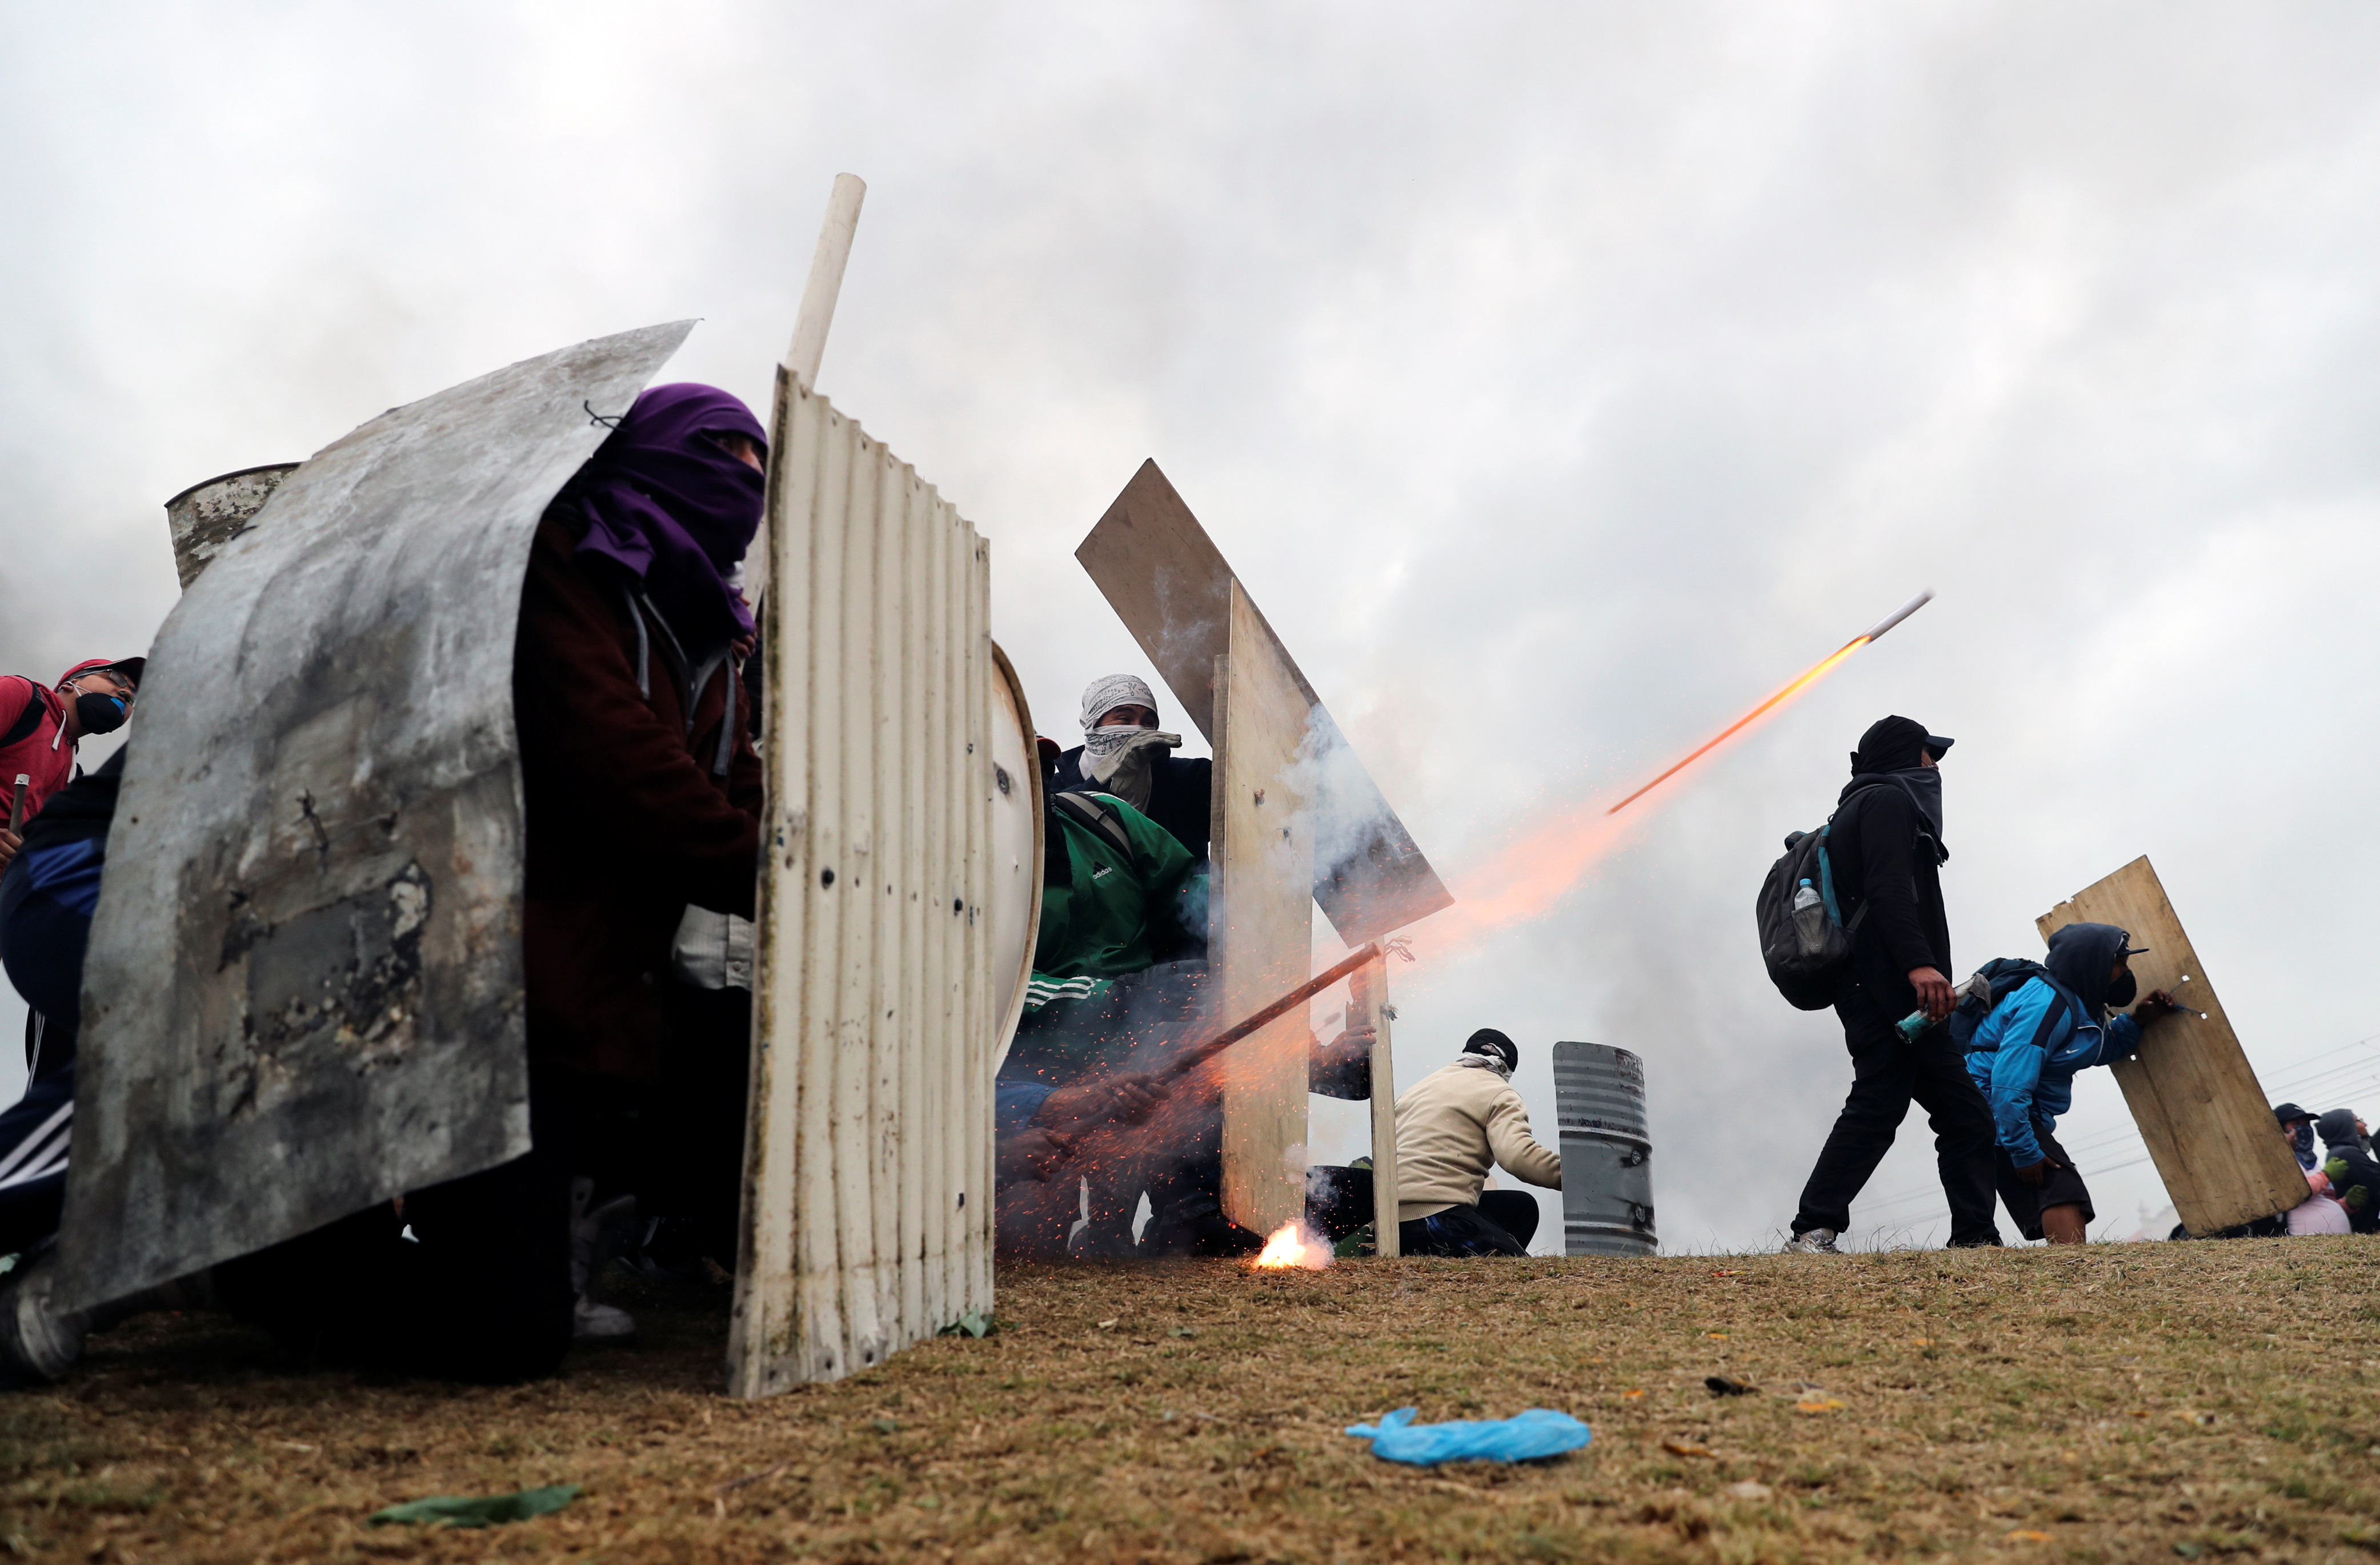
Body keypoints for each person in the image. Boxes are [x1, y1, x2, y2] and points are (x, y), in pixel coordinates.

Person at [209, 383, 771, 1381]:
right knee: (506, 1334)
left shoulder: (714, 632)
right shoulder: (563, 565)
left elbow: (731, 782)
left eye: (757, 468)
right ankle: (269, 1260)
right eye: (719, 453)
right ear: (645, 454)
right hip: (484, 990)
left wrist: (800, 860)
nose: (743, 484)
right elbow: (614, 758)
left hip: (602, 1000)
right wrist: (766, 871)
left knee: (736, 1071)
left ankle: (602, 1238)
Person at [1787, 716, 2001, 1254]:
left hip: (1889, 987)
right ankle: (1813, 1229)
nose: (1934, 768)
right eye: (1929, 756)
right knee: (1881, 1102)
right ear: (1907, 757)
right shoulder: (1886, 801)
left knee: (1963, 1113)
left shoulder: (1861, 806)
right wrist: (1920, 966)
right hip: (1882, 985)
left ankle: (1976, 1238)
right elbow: (1888, 892)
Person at [1962, 923, 2178, 1244]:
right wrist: (2023, 1150)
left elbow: (2093, 1048)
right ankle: (2074, 1278)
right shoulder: (2046, 1005)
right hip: (1993, 1106)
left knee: (2049, 1189)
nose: (2125, 971)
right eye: (2119, 963)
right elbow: (2008, 1084)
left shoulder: (2078, 1007)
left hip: (2009, 1111)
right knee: (2062, 1187)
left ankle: (2063, 1280)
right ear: (2093, 964)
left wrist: (2139, 1021)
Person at [1392, 1030, 1561, 1257]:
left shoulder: (1417, 1089)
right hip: (1436, 1217)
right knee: (1515, 1267)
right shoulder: (1499, 1091)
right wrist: (1575, 1178)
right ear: (1506, 1069)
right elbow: (1519, 1158)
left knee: (1521, 1207)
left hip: (1389, 1220)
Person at [1047, 675, 1213, 862]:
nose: (1138, 730)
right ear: (1093, 724)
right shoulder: (1051, 789)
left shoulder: (1189, 777)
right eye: (1124, 719)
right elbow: (1049, 842)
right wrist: (1102, 779)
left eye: (1148, 723)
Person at [0, 659, 140, 878]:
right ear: (71, 682)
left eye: (132, 696)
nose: (125, 693)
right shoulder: (20, 695)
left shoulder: (75, 778)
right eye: (116, 679)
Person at [2316, 1110, 2380, 1235]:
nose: (2365, 1125)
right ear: (2347, 1128)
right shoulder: (2348, 1154)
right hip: (2366, 1228)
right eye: (2358, 1121)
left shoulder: (2337, 1152)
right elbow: (2377, 1187)